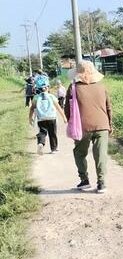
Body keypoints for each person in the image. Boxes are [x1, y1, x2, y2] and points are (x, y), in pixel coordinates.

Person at [65, 61, 112, 194]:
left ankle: (84, 180)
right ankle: (101, 183)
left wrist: (71, 123)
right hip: (102, 125)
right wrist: (110, 125)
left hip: (82, 126)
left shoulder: (73, 88)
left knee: (79, 153)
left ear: (78, 73)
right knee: (100, 155)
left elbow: (67, 109)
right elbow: (109, 108)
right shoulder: (102, 86)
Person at [28, 77, 67, 155]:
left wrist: (30, 118)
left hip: (41, 119)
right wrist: (64, 117)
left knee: (42, 132)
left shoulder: (36, 97)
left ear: (38, 88)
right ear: (47, 87)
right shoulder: (52, 96)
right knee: (52, 133)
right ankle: (54, 149)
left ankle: (41, 143)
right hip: (52, 118)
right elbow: (58, 107)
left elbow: (32, 108)